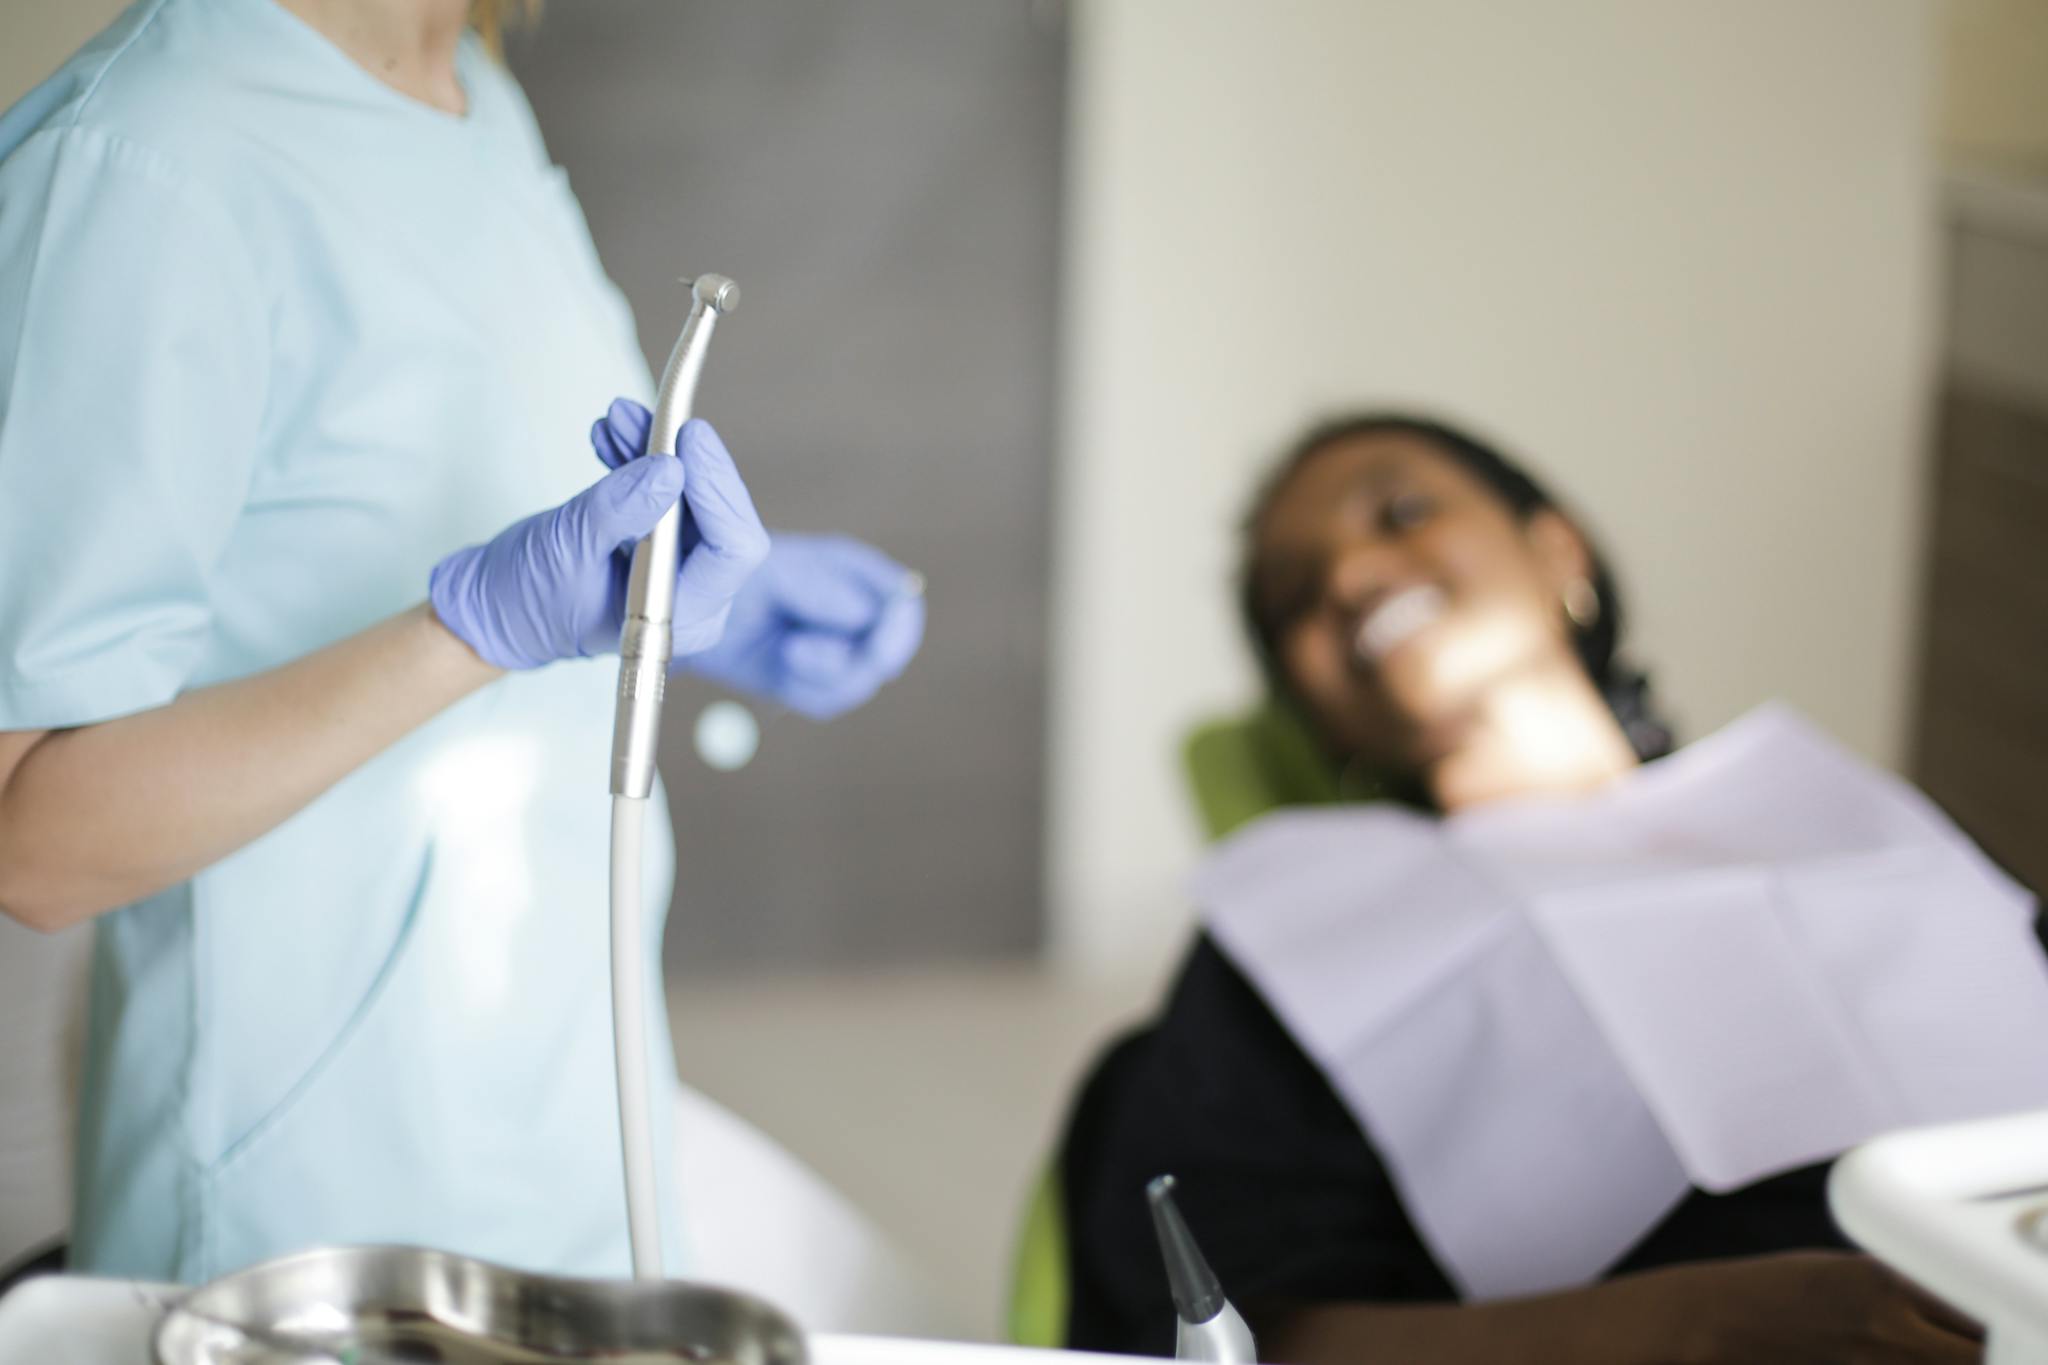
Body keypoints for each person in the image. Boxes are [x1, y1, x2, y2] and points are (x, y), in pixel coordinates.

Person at [0, 0, 923, 1289]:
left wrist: (678, 607)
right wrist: (467, 631)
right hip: (309, 1220)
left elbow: (433, 513)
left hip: (562, 1124)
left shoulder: (473, 101)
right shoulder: (146, 155)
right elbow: (30, 839)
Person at [1051, 413, 2040, 1364]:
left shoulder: (1850, 825)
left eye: (1398, 514)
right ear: (1320, 722)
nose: (1348, 579)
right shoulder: (1296, 940)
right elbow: (1203, 1335)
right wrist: (1695, 1334)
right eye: (1291, 599)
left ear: (1559, 553)